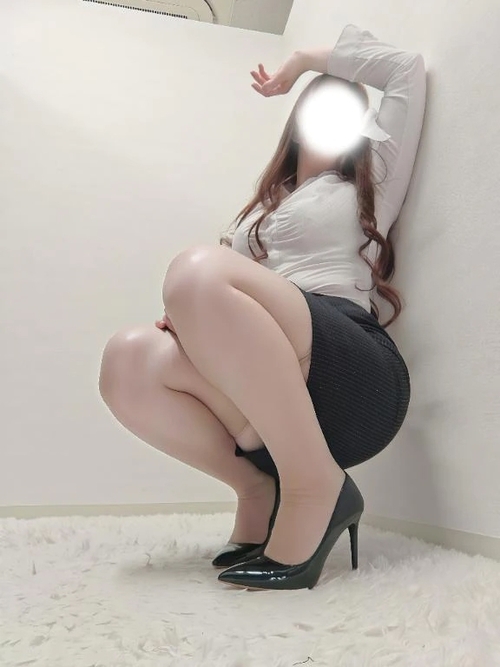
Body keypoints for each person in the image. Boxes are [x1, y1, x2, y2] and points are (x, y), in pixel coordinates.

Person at [99, 23, 426, 591]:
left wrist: (303, 61)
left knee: (195, 271)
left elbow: (406, 70)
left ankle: (313, 486)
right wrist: (192, 321)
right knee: (127, 358)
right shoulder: (261, 210)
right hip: (272, 401)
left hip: (350, 374)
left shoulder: (372, 178)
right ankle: (258, 489)